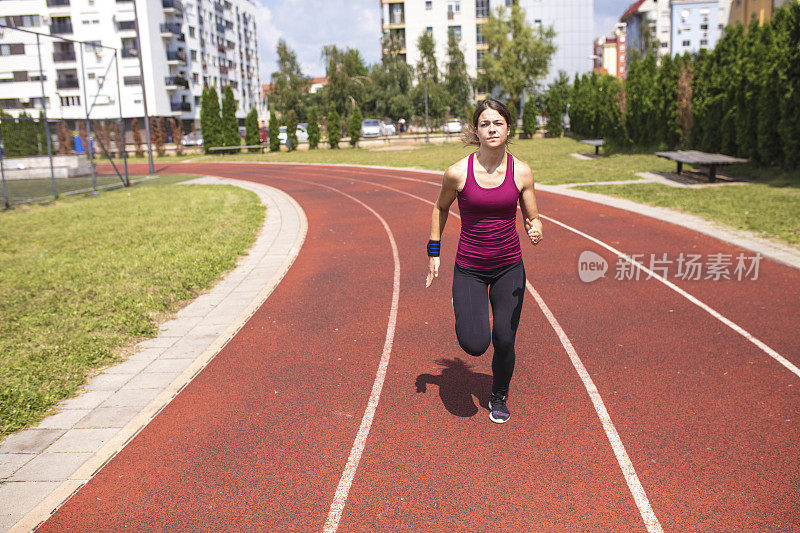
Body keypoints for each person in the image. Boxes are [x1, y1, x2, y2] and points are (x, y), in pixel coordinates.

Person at [425, 98, 543, 424]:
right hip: (470, 270)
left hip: (509, 267)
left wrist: (535, 228)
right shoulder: (457, 173)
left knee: (504, 338)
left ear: (508, 128)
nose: (492, 129)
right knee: (475, 344)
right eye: (485, 124)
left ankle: (499, 394)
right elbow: (440, 208)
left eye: (498, 123)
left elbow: (533, 216)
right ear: (476, 131)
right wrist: (434, 252)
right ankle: (463, 305)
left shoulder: (522, 172)